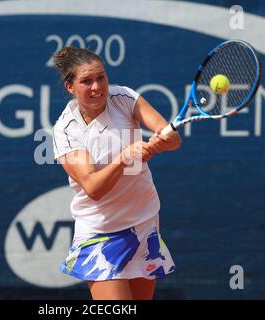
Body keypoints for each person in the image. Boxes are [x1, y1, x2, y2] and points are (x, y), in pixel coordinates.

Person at [52, 47, 182, 300]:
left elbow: (172, 139)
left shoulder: (123, 98)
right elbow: (93, 188)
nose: (97, 87)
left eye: (101, 77)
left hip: (143, 221)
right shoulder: (65, 130)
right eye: (86, 81)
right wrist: (124, 159)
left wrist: (160, 142)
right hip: (99, 230)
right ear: (70, 87)